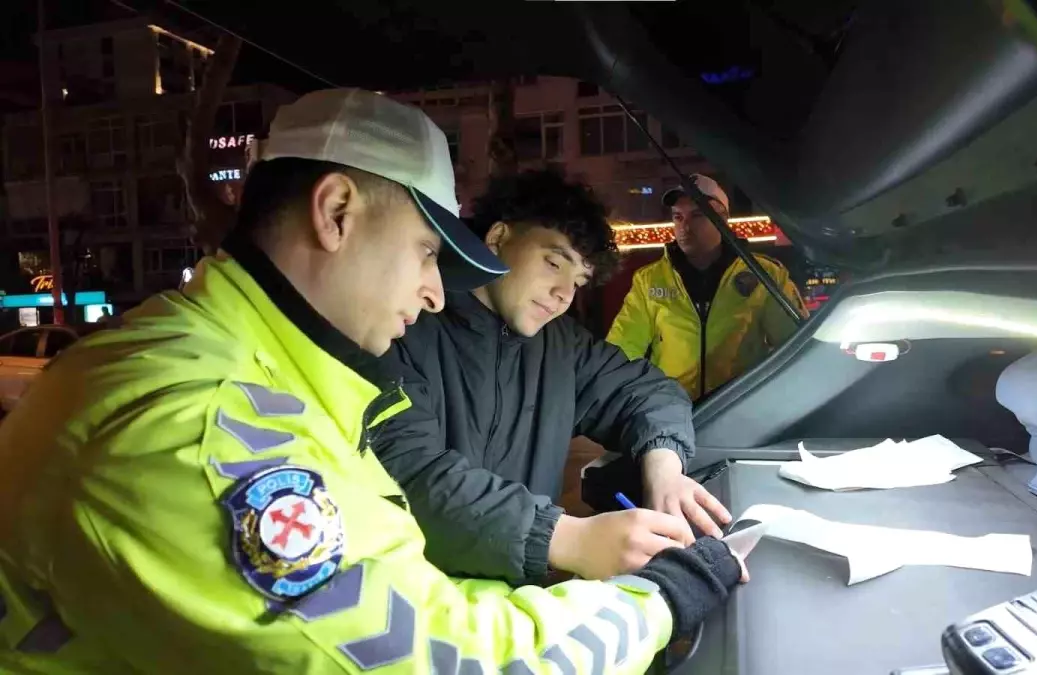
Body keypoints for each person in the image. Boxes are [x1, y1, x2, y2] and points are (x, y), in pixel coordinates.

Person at [0, 90, 746, 674]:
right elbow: (434, 658)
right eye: (426, 252)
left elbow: (408, 594)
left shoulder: (270, 370)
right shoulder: (203, 428)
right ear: (336, 213)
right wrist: (653, 599)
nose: (431, 293)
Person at [374, 169, 733, 586]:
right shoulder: (402, 327)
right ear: (497, 239)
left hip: (519, 607)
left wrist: (665, 470)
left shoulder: (561, 347)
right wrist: (570, 539)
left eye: (578, 280)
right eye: (552, 263)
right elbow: (412, 477)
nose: (565, 293)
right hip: (411, 603)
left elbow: (648, 391)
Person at [607, 174, 809, 401]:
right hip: (671, 413)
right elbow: (622, 350)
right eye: (678, 217)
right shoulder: (649, 279)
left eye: (697, 215)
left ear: (723, 219)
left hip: (738, 410)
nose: (684, 226)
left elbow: (796, 346)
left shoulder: (765, 275)